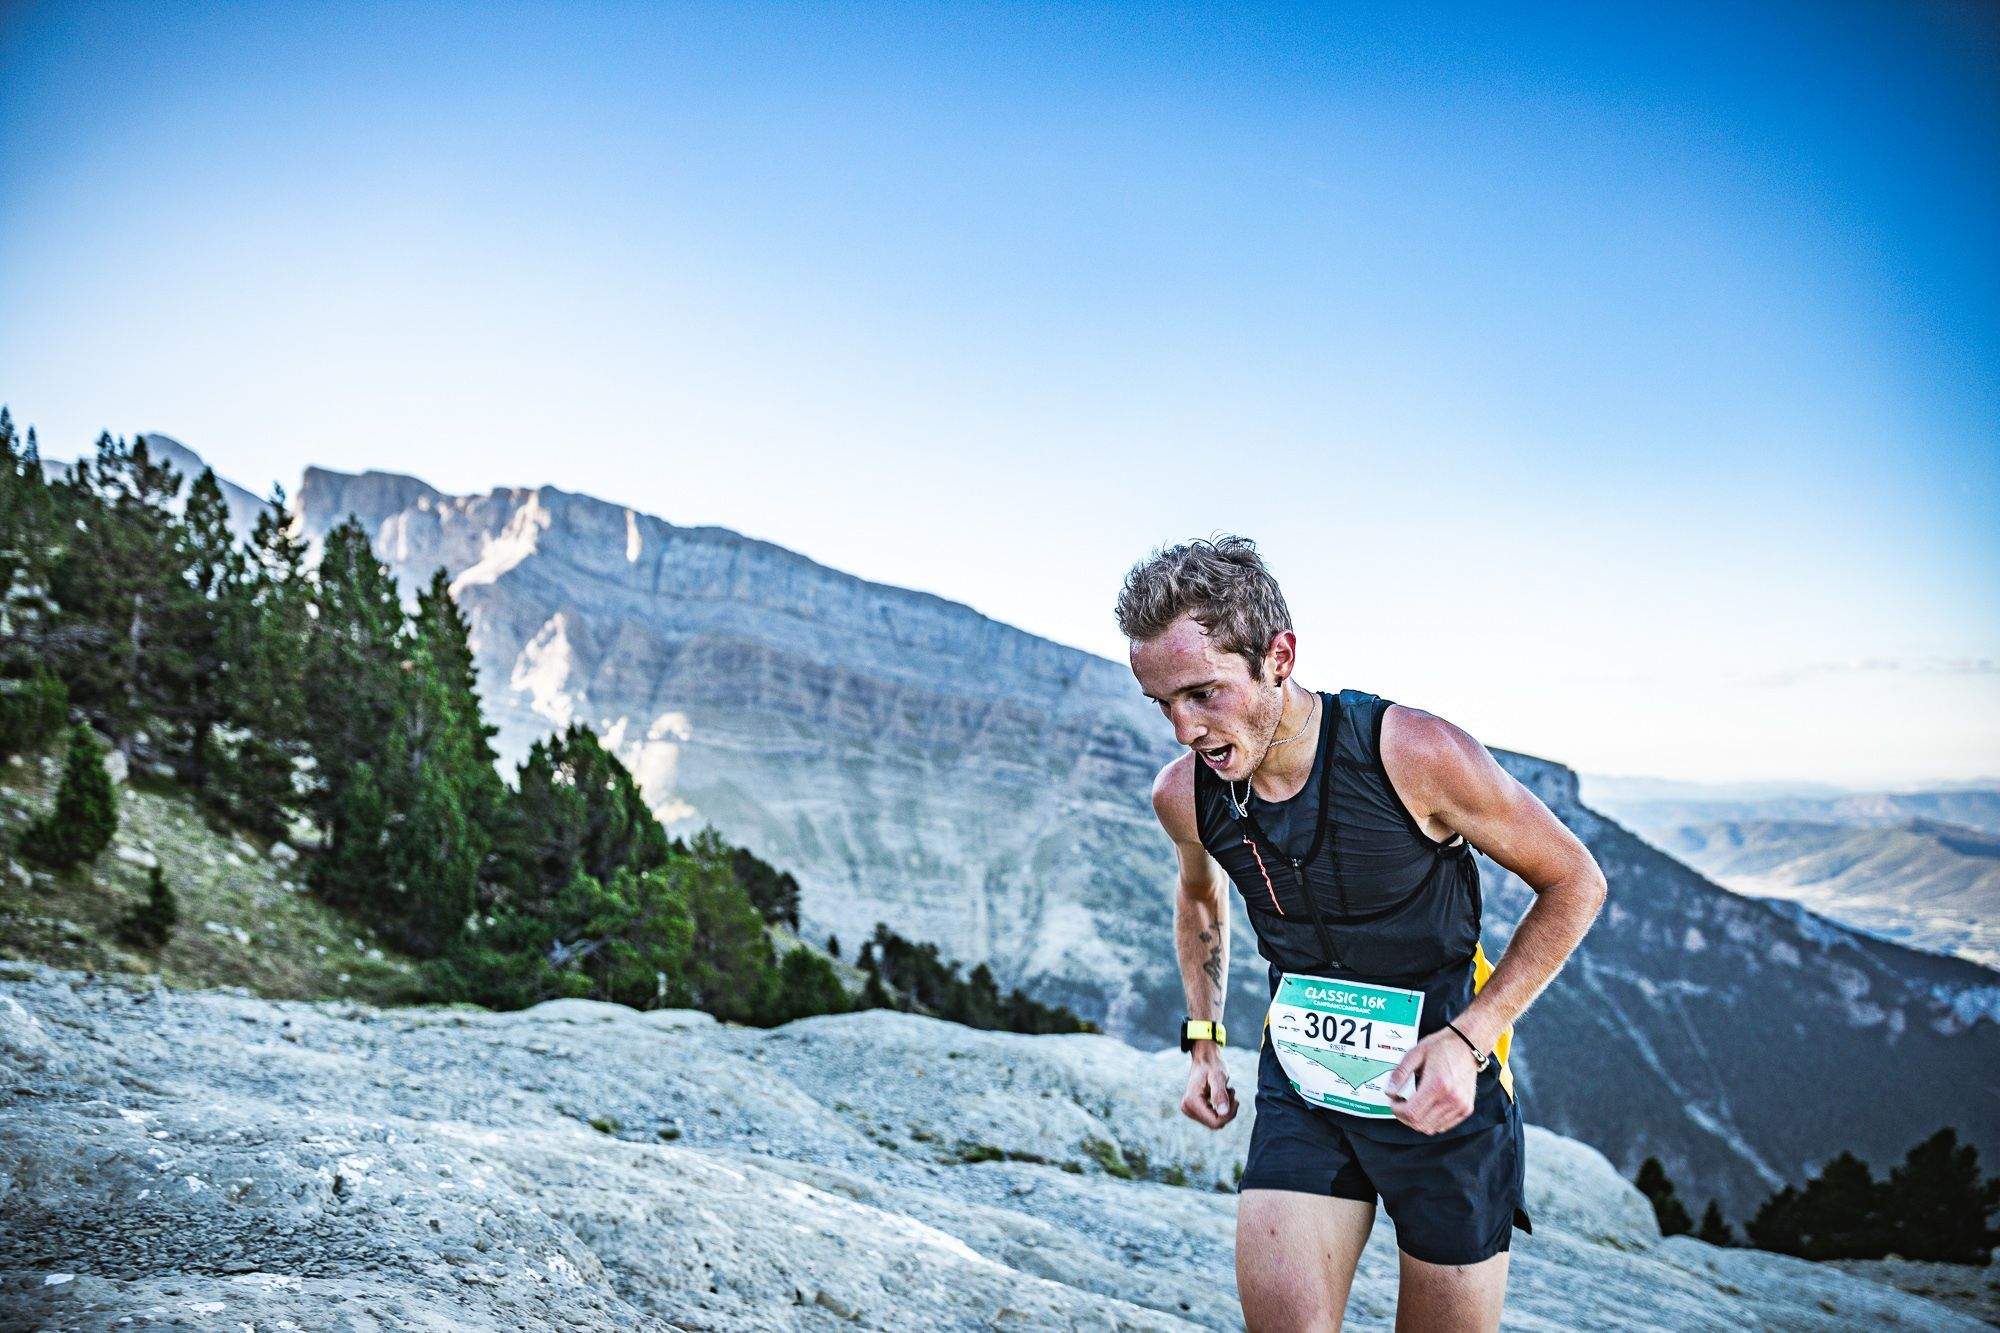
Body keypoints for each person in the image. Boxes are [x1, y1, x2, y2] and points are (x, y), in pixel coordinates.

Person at [1117, 536, 1607, 1332]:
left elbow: (1576, 880)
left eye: (1204, 693)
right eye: (1163, 703)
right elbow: (1199, 898)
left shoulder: (1412, 753)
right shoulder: (1184, 795)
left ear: (1279, 655)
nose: (1183, 729)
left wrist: (1469, 1036)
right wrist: (1205, 1041)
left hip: (1442, 1089)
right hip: (1304, 1081)